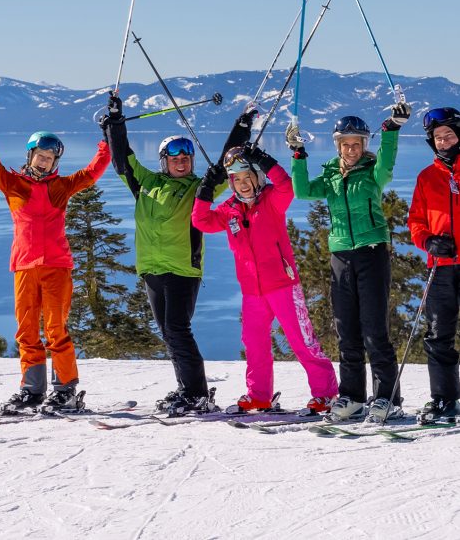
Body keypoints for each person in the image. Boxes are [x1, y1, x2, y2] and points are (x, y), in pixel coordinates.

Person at [102, 93, 255, 416]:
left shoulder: (200, 188)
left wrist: (243, 125)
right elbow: (122, 159)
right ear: (163, 160)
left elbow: (226, 161)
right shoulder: (145, 183)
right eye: (174, 156)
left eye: (186, 155)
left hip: (183, 269)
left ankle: (197, 393)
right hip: (152, 268)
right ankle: (188, 390)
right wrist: (115, 121)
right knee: (169, 332)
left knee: (177, 329)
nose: (181, 159)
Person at [0, 96, 111, 413]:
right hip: (23, 266)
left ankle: (65, 391)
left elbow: (93, 171)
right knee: (26, 331)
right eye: (41, 155)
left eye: (51, 157)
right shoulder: (12, 184)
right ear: (31, 155)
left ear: (55, 162)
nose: (45, 161)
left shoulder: (60, 187)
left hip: (56, 267)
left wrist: (108, 138)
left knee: (56, 331)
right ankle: (32, 390)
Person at [286, 101, 411, 422]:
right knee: (347, 330)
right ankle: (353, 397)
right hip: (340, 254)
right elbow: (300, 191)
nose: (352, 149)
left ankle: (387, 398)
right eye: (346, 144)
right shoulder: (329, 176)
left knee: (374, 328)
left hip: (372, 252)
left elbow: (387, 161)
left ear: (364, 145)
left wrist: (391, 129)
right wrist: (298, 154)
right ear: (338, 145)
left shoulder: (373, 173)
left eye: (357, 144)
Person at [191, 144, 338, 413]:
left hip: (283, 285)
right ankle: (259, 395)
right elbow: (201, 221)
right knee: (255, 344)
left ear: (258, 177)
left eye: (248, 178)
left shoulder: (271, 199)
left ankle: (326, 394)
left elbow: (287, 186)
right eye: (237, 180)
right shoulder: (229, 210)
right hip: (252, 292)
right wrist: (206, 187)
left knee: (301, 340)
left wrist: (264, 159)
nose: (244, 185)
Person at [408, 107, 460, 420]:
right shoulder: (427, 177)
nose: (443, 142)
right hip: (440, 266)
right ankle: (444, 398)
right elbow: (415, 221)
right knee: (439, 333)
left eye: (449, 136)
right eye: (438, 138)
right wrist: (428, 241)